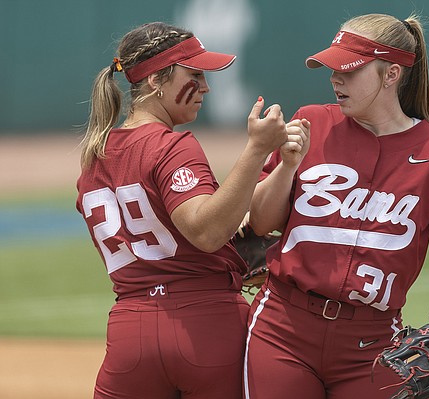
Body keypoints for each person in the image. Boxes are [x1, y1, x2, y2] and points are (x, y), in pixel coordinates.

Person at [244, 13, 429, 399]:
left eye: (348, 71)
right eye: (331, 68)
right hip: (283, 330)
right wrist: (287, 166)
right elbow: (261, 223)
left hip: (374, 346)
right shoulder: (311, 123)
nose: (334, 78)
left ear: (391, 74)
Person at [75, 22, 288, 399]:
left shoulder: (95, 157)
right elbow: (205, 233)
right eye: (194, 75)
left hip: (130, 334)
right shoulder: (170, 146)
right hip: (204, 326)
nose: (205, 87)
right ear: (157, 80)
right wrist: (257, 149)